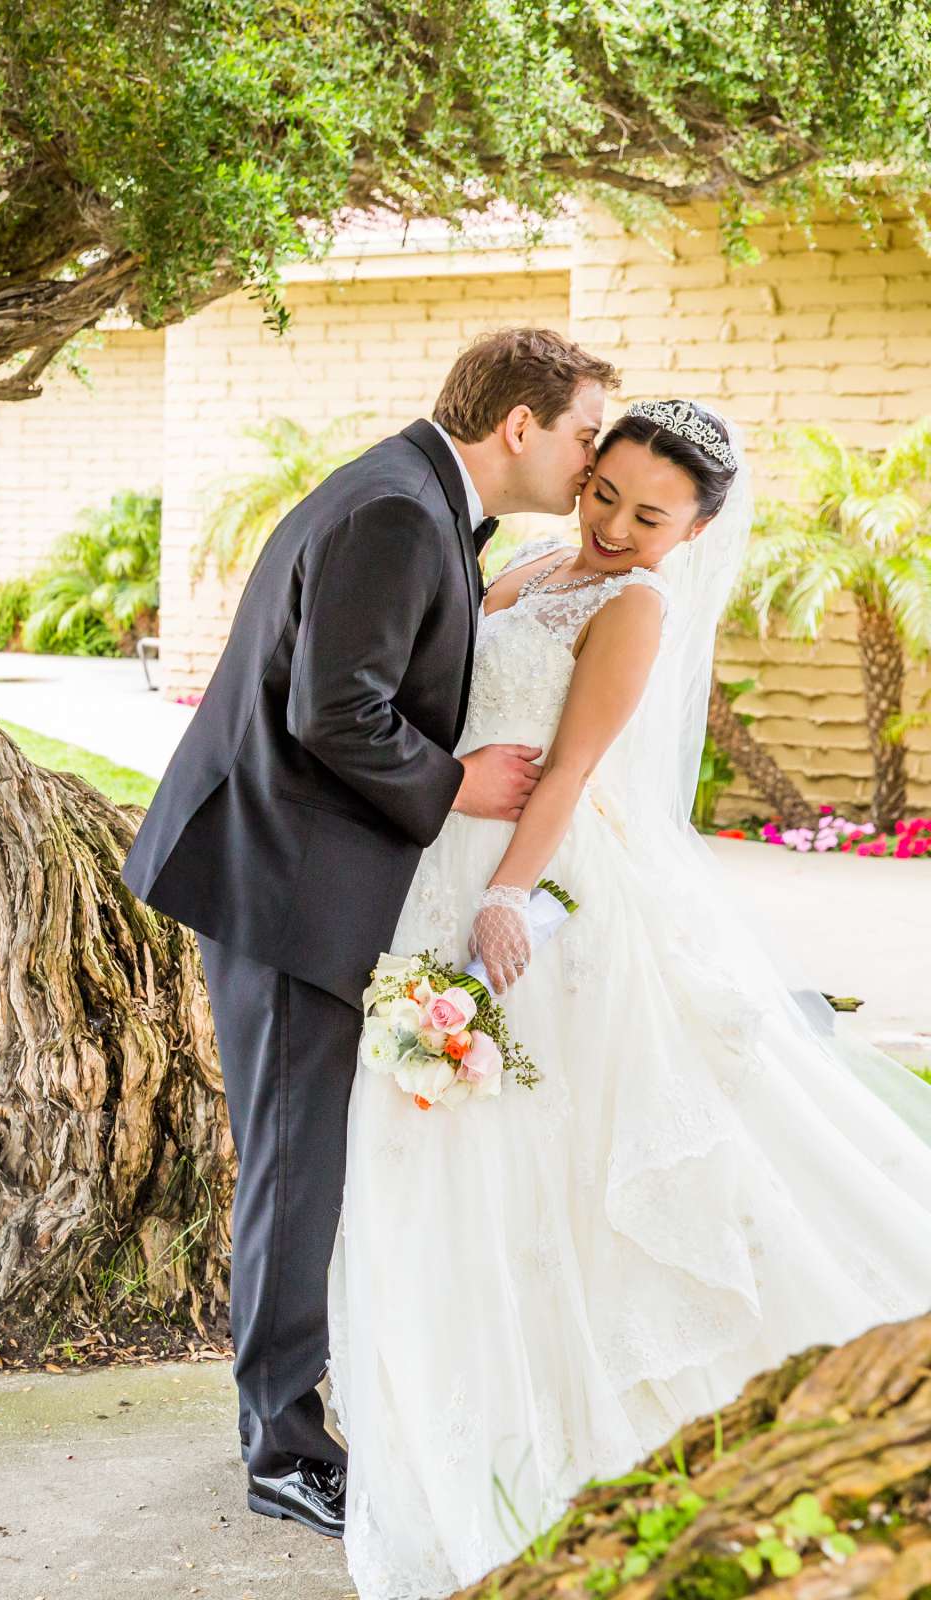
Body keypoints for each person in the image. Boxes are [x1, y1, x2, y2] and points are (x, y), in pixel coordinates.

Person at [327, 397, 931, 1597]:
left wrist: (503, 899)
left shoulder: (635, 604)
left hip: (542, 885)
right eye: (603, 490)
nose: (611, 523)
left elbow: (574, 771)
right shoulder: (540, 559)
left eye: (649, 515)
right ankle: (442, 1383)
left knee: (551, 1140)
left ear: (695, 529)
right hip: (445, 854)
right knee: (431, 1145)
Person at [120, 327, 620, 1536]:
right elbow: (334, 709)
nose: (592, 456)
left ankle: (287, 1411)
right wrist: (457, 783)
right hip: (283, 882)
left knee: (303, 1163)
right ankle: (283, 1448)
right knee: (296, 1173)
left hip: (289, 867)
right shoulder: (398, 510)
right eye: (585, 432)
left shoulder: (413, 496)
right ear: (520, 427)